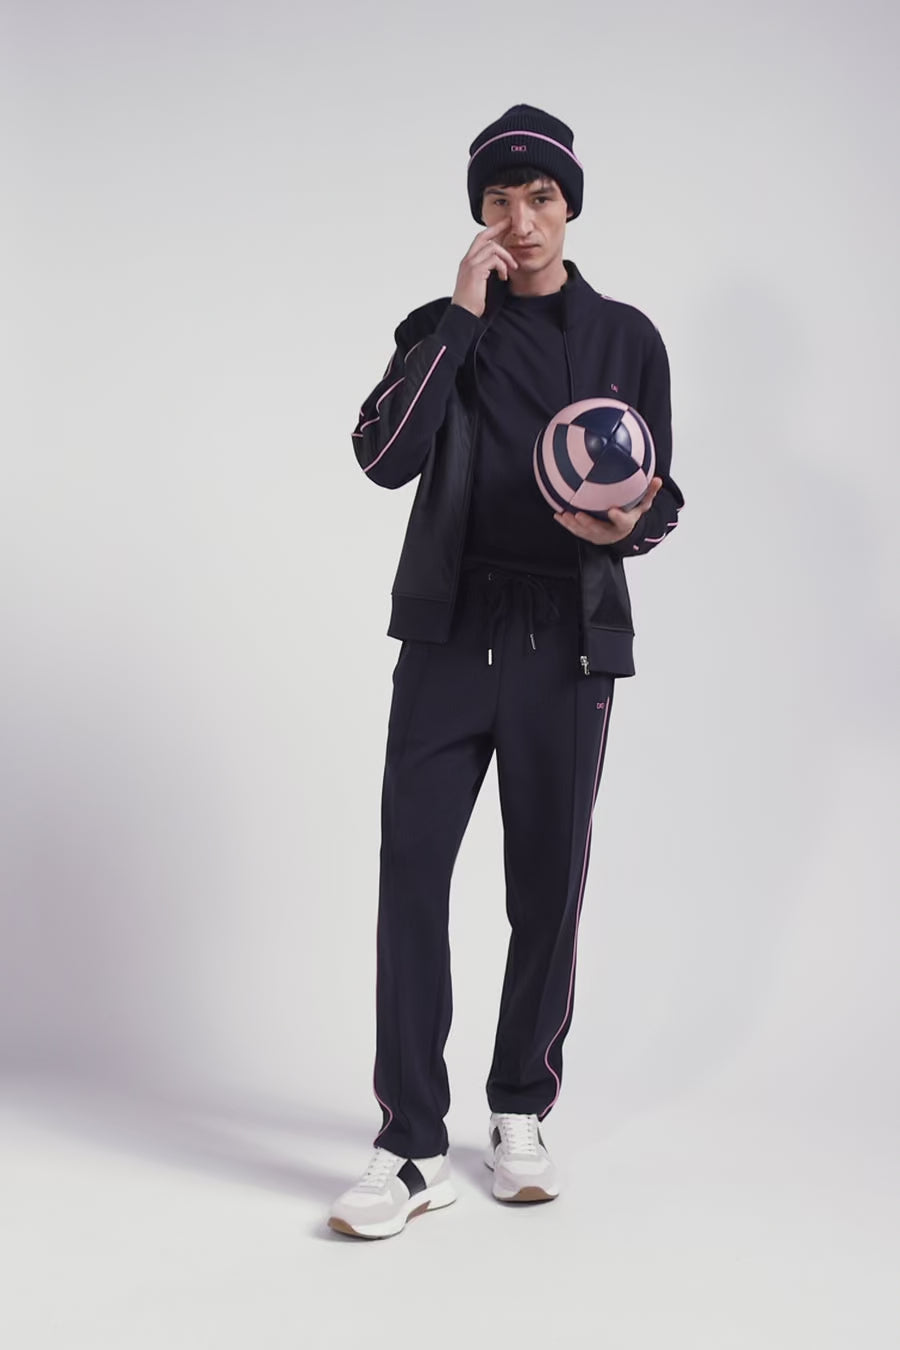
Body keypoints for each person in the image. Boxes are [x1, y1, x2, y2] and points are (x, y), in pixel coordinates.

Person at [328, 104, 684, 1240]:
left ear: (569, 207)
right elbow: (383, 458)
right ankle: (409, 1147)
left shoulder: (627, 338)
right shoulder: (439, 328)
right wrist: (460, 321)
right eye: (498, 200)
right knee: (410, 879)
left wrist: (626, 523)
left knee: (546, 886)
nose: (520, 221)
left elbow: (659, 491)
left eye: (540, 199)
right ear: (477, 213)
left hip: (567, 643)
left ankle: (520, 1109)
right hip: (450, 633)